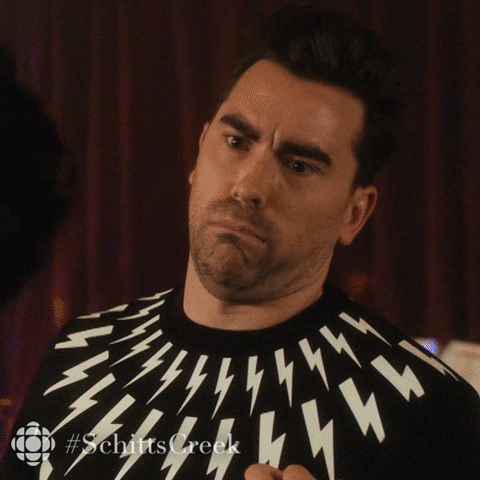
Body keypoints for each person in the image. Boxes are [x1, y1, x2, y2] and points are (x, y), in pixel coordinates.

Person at [1, 4, 479, 480]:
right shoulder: (78, 357)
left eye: (299, 165)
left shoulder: (429, 416)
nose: (249, 186)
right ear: (200, 152)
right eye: (236, 142)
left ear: (354, 213)